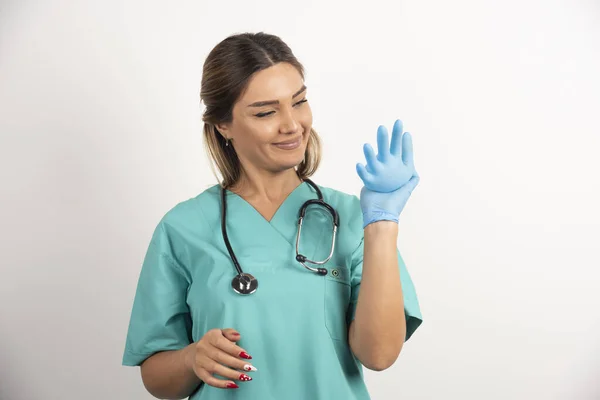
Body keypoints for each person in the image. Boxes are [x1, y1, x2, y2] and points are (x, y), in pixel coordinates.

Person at [122, 31, 423, 400]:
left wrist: (381, 224)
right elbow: (156, 378)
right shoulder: (183, 228)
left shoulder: (351, 217)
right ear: (223, 125)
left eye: (299, 102)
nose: (291, 124)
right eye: (266, 112)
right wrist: (191, 359)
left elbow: (379, 355)